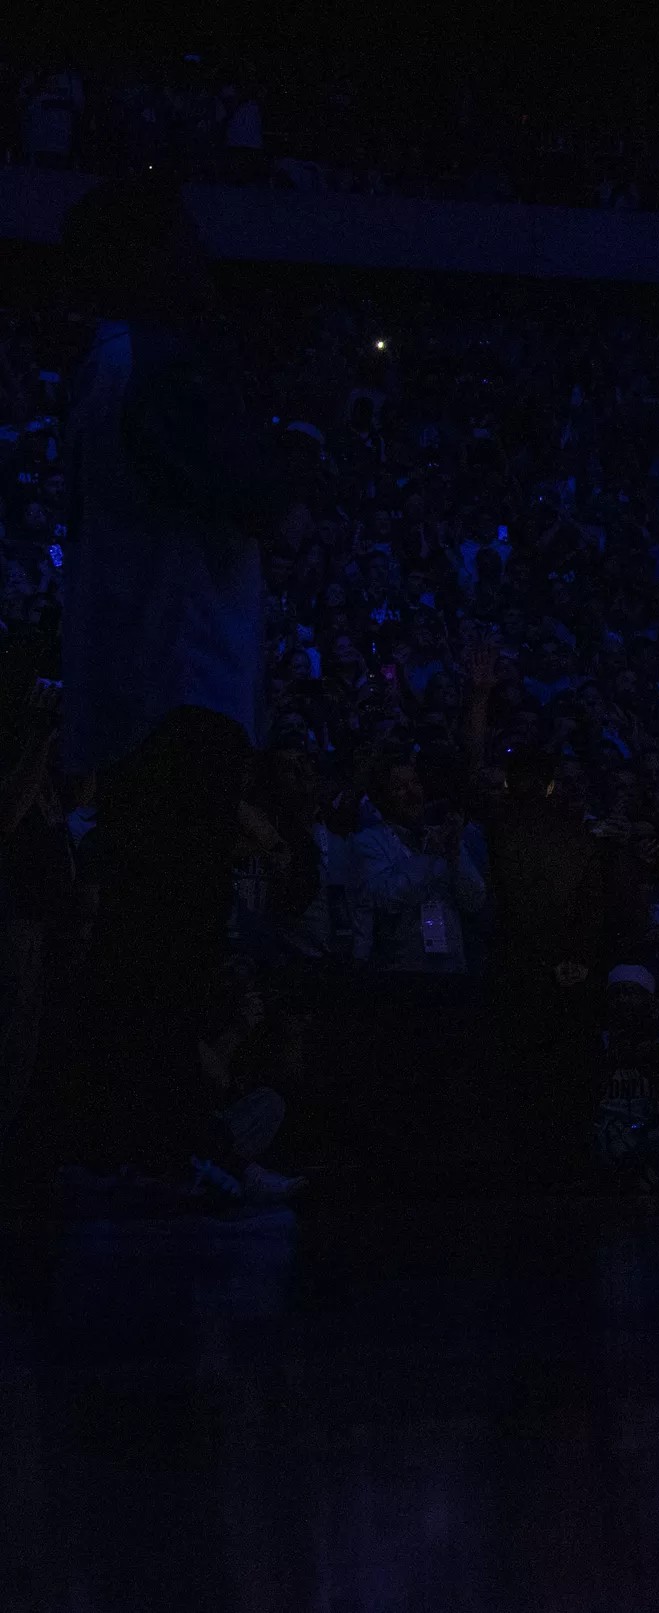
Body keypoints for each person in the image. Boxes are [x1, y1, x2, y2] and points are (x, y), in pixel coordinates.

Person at [57, 175, 284, 1195]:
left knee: (152, 920)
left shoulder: (109, 362)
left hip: (140, 672)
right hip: (181, 672)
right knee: (167, 923)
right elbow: (251, 495)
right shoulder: (152, 364)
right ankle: (138, 1143)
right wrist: (296, 450)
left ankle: (141, 1135)